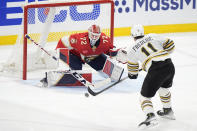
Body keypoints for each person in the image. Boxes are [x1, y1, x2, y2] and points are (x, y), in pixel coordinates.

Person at [40, 24, 124, 87]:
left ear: (100, 34)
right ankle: (51, 78)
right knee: (76, 73)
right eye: (92, 35)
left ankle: (112, 73)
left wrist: (116, 53)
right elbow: (63, 41)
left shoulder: (105, 40)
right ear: (88, 33)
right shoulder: (79, 39)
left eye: (96, 35)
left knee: (112, 74)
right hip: (74, 55)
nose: (94, 37)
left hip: (89, 55)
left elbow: (110, 50)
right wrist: (58, 52)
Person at [127, 24, 176, 128]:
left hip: (155, 70)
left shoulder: (131, 48)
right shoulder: (153, 36)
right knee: (163, 89)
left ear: (132, 36)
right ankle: (168, 111)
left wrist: (132, 74)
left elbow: (133, 72)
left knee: (144, 97)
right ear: (143, 32)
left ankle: (151, 117)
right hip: (169, 65)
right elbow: (171, 45)